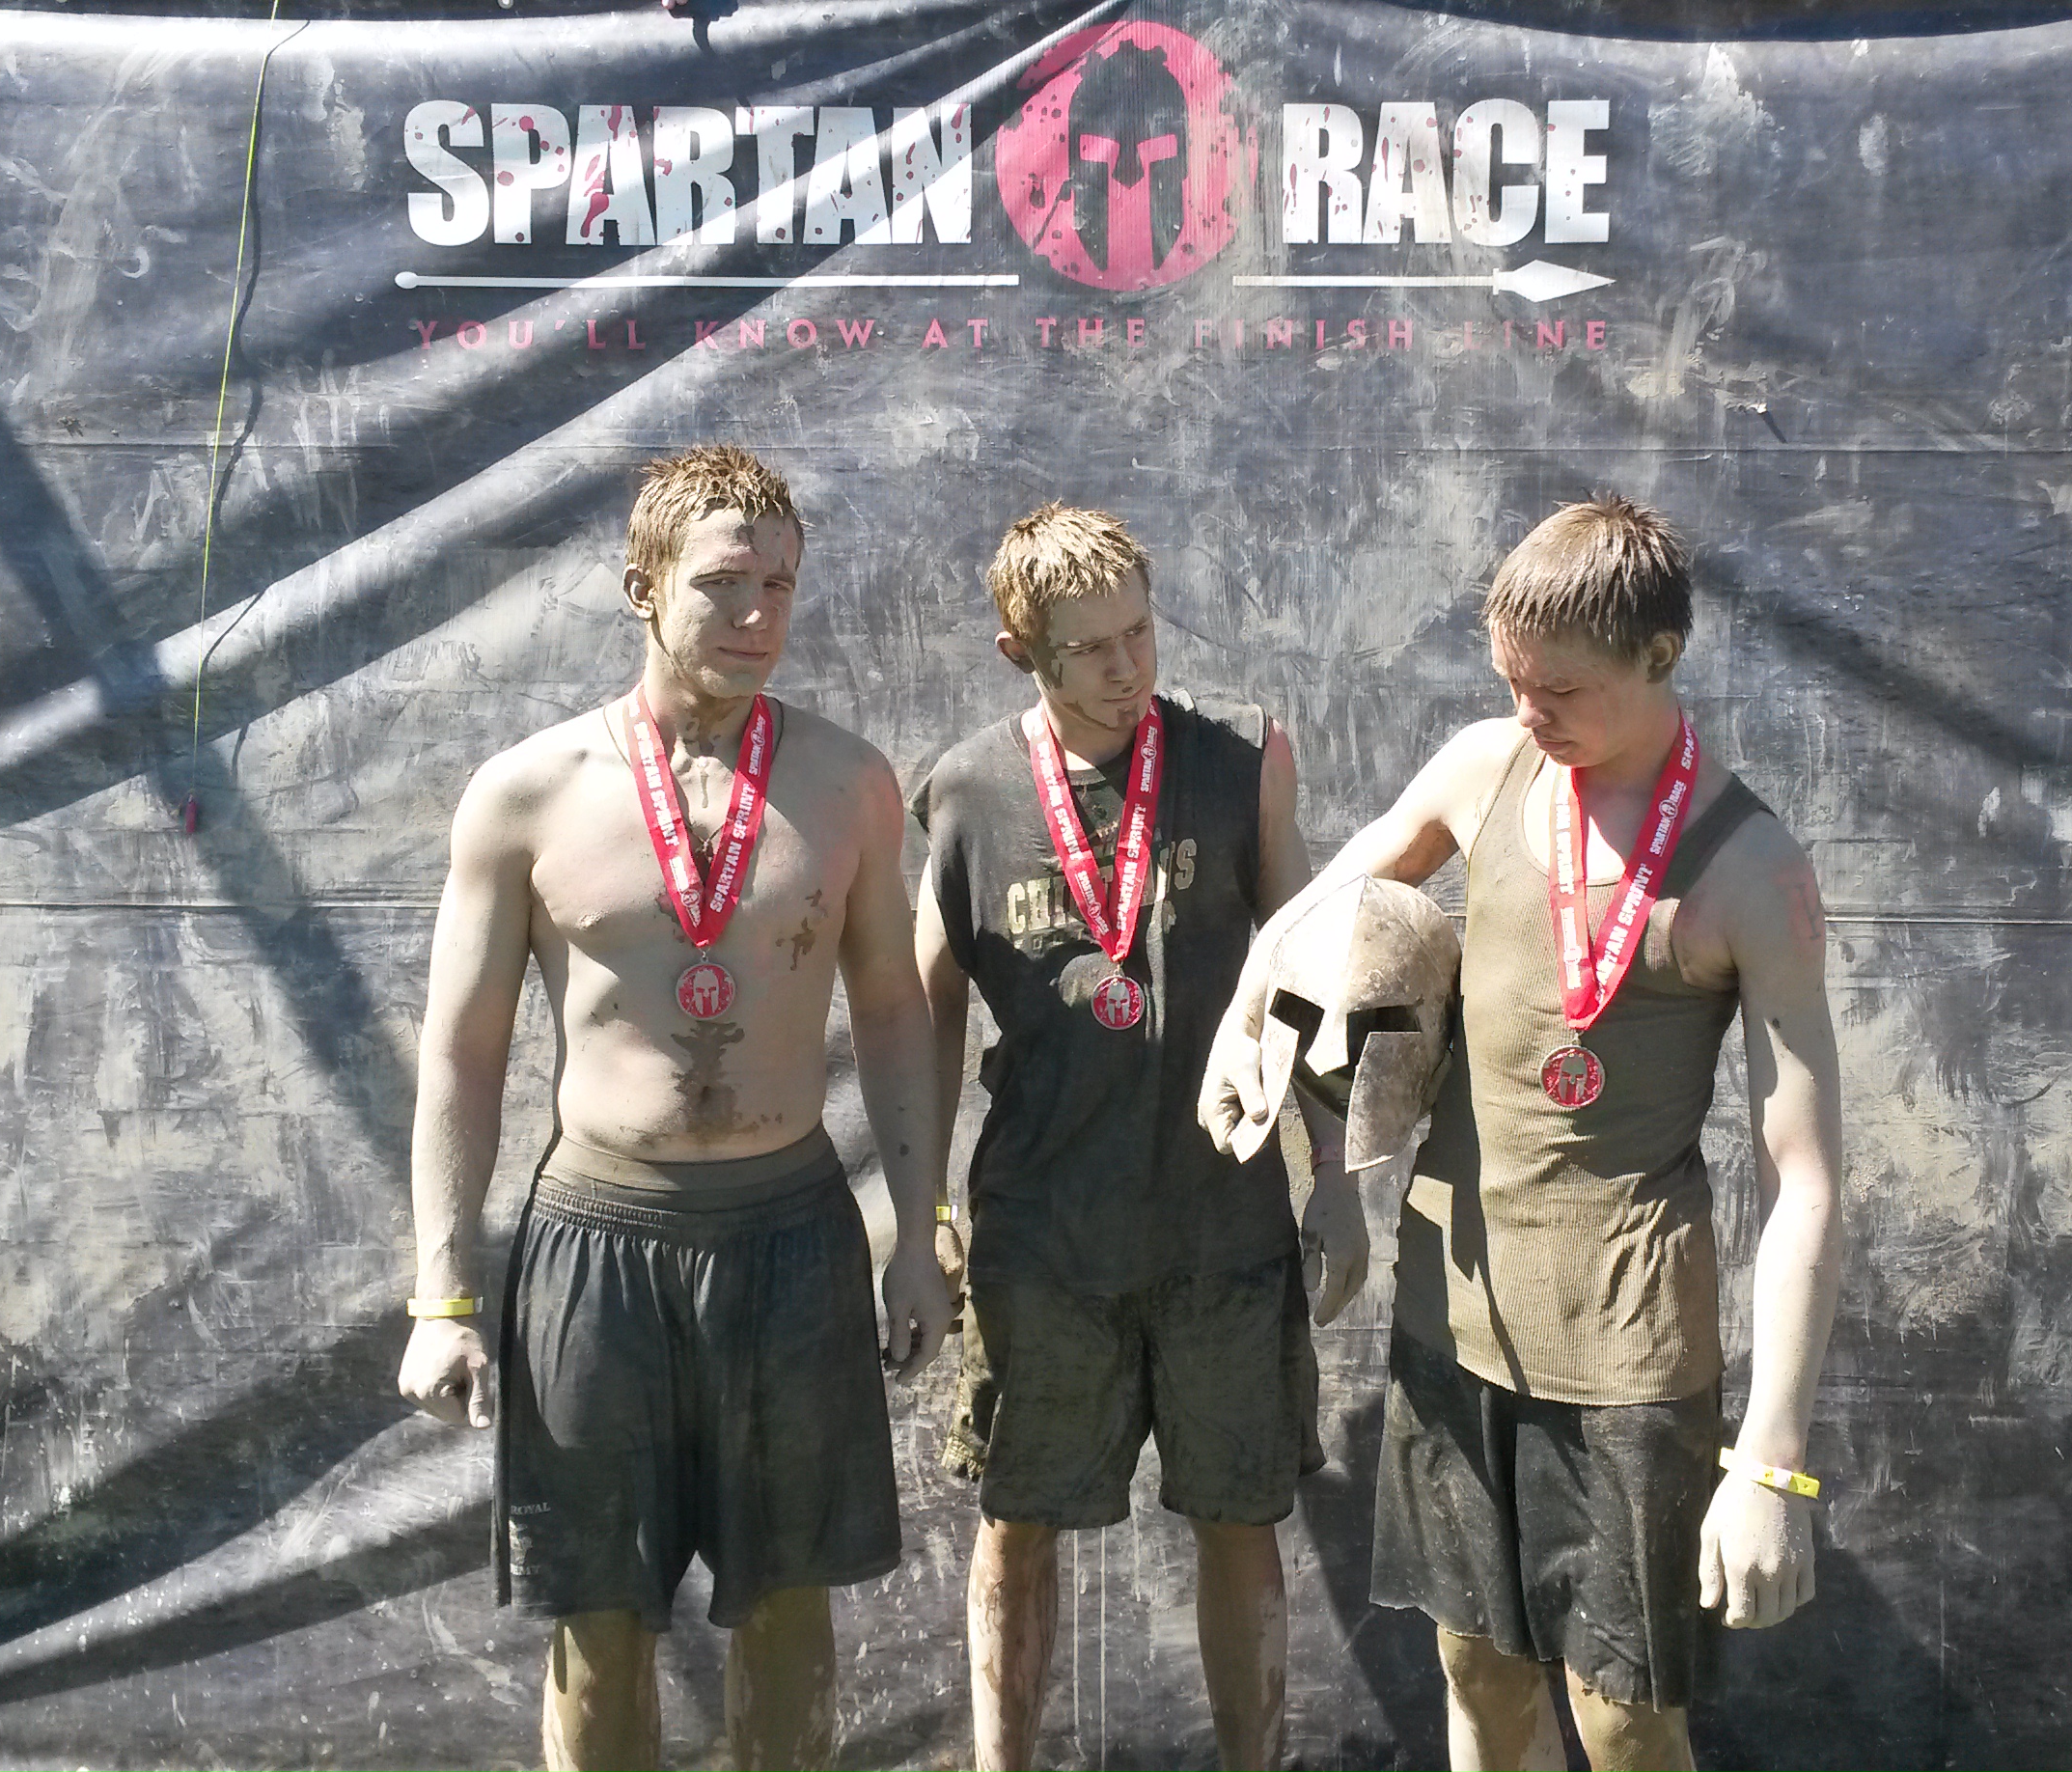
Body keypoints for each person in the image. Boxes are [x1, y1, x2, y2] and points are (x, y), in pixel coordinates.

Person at [1202, 496, 1845, 1772]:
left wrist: (1772, 1464)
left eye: (1561, 690)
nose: (1528, 712)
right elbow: (1323, 912)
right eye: (1511, 680)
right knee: (1477, 1674)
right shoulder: (1485, 766)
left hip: (1627, 1349)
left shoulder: (1750, 870)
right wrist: (1245, 1021)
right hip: (1454, 1315)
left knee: (1622, 1719)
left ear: (1660, 656)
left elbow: (1807, 1181)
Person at [396, 445, 953, 1772]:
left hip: (792, 1237)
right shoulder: (527, 793)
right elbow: (461, 1054)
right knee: (597, 1625)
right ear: (641, 586)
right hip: (598, 1244)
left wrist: (919, 1238)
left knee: (789, 1615)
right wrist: (440, 1296)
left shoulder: (849, 783)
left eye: (780, 585)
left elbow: (894, 1011)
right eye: (721, 584)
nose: (757, 615)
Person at [910, 504, 1365, 1772]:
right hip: (1045, 1240)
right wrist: (923, 1211)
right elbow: (922, 1014)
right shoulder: (966, 790)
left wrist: (1337, 1178)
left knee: (1241, 1518)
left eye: (1141, 633)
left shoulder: (1238, 758)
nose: (1128, 668)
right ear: (1021, 652)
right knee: (1017, 1522)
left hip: (1222, 1229)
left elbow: (1309, 973)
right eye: (1091, 649)